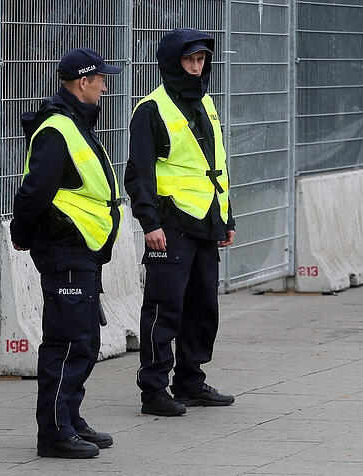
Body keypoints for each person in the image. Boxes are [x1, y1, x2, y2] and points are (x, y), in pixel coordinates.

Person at [11, 48, 122, 458]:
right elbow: (34, 191)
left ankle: (69, 419)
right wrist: (23, 233)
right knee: (69, 342)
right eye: (100, 80)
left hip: (81, 250)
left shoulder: (76, 123)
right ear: (82, 83)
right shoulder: (58, 129)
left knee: (84, 340)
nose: (105, 87)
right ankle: (55, 432)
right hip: (65, 248)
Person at [125, 28, 236, 416]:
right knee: (163, 307)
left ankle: (191, 381)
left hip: (206, 219)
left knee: (203, 307)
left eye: (201, 60)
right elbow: (139, 173)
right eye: (188, 60)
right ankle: (154, 390)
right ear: (173, 63)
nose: (195, 67)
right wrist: (149, 223)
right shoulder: (151, 110)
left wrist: (227, 216)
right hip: (169, 225)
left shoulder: (206, 104)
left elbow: (214, 165)